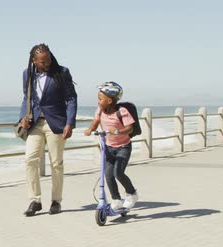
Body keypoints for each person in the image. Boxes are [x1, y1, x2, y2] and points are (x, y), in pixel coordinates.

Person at [19, 43, 77, 216]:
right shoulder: (27, 74)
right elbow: (26, 97)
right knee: (30, 159)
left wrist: (70, 123)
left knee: (56, 163)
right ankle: (34, 200)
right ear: (34, 61)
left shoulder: (62, 72)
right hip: (35, 122)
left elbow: (71, 98)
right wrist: (23, 116)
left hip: (56, 123)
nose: (47, 63)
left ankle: (56, 201)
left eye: (49, 59)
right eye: (43, 61)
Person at [84, 81, 138, 209]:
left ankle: (132, 193)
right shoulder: (100, 111)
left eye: (100, 99)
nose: (98, 101)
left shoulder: (122, 111)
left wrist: (118, 131)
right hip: (108, 147)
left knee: (118, 173)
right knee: (108, 175)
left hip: (123, 147)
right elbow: (96, 121)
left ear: (109, 100)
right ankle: (116, 199)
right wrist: (90, 129)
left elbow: (129, 128)